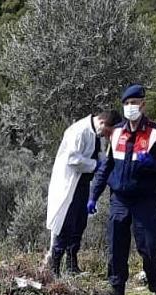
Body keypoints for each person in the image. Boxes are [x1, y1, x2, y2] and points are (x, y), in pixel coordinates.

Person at [89, 84, 156, 295]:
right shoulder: (116, 132)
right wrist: (93, 195)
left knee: (149, 244)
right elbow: (106, 166)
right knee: (116, 244)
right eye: (126, 103)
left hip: (145, 199)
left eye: (134, 103)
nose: (130, 107)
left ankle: (155, 281)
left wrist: (153, 162)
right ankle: (116, 289)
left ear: (143, 105)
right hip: (119, 198)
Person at [46, 110, 122, 277]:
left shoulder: (97, 134)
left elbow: (100, 155)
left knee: (79, 224)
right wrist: (97, 165)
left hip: (83, 184)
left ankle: (71, 265)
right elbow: (72, 159)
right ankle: (54, 267)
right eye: (108, 131)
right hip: (69, 183)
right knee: (66, 223)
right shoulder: (79, 131)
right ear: (103, 123)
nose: (107, 135)